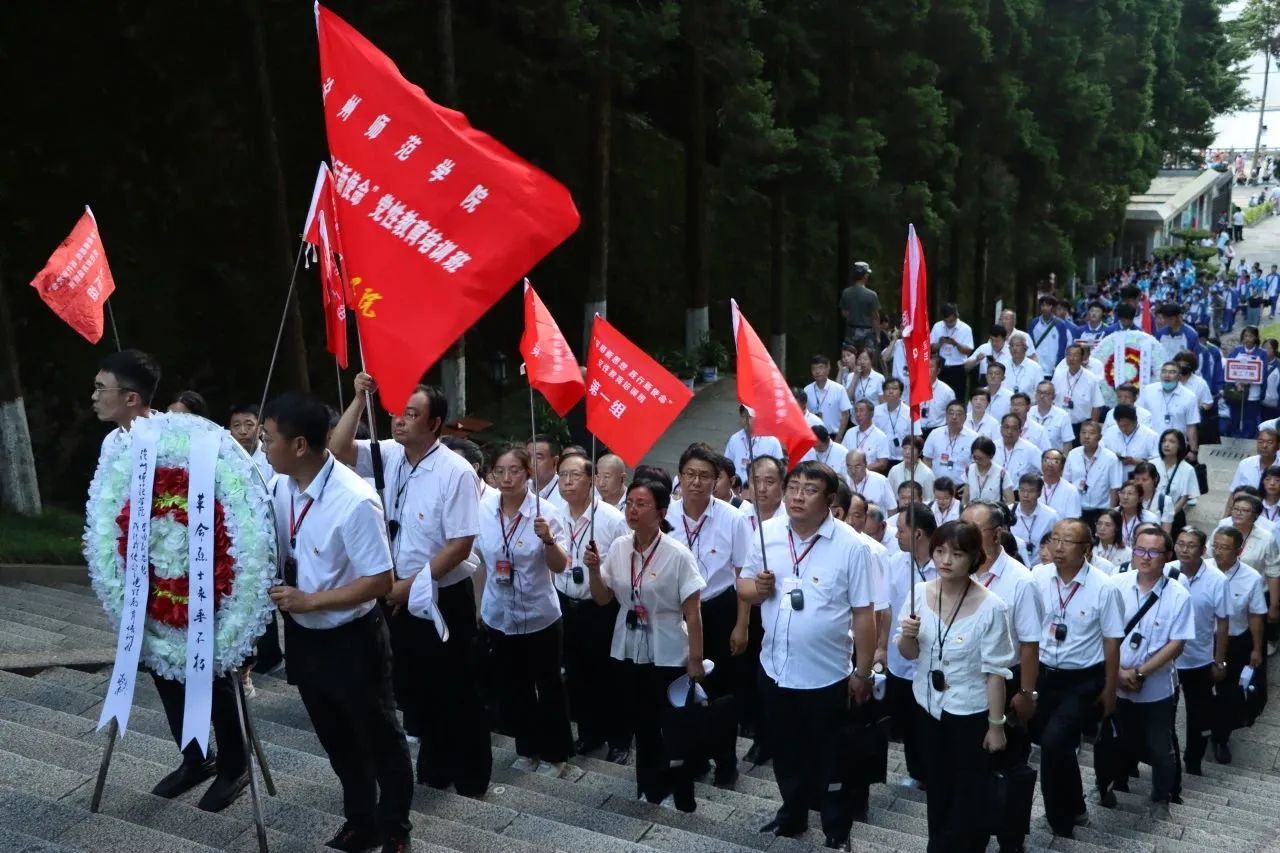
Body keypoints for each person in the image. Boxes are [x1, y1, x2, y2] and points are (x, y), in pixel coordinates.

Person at [92, 350, 252, 813]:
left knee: (208, 670)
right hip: (147, 575)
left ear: (131, 397)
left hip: (194, 570)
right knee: (160, 666)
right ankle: (195, 756)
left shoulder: (180, 438)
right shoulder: (112, 444)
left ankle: (235, 764)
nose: (94, 397)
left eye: (101, 388)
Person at [262, 391, 413, 851]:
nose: (263, 447)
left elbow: (380, 580)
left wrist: (312, 601)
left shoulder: (354, 499)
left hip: (352, 639)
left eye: (268, 439)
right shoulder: (280, 485)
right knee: (336, 738)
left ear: (299, 445)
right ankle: (360, 820)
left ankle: (395, 827)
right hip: (305, 638)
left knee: (380, 735)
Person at [328, 373, 491, 796]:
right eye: (398, 412)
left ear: (434, 424)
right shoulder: (389, 454)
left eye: (412, 414)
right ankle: (435, 770)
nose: (400, 420)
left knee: (457, 687)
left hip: (441, 594)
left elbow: (460, 544)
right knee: (416, 687)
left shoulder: (455, 471)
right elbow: (338, 450)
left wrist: (411, 585)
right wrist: (359, 399)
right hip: (396, 591)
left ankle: (472, 778)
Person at [739, 460, 878, 848]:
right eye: (793, 487)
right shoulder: (767, 533)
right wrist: (756, 589)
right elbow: (743, 587)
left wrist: (863, 672)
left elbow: (864, 614)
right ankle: (792, 814)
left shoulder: (851, 546)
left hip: (826, 675)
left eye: (810, 489)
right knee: (786, 751)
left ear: (830, 500)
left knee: (831, 758)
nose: (798, 496)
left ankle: (836, 828)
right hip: (775, 667)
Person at [585, 477, 705, 810]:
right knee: (642, 721)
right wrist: (594, 570)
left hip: (668, 648)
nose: (632, 511)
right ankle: (648, 786)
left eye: (642, 504)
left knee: (669, 725)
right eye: (630, 504)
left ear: (661, 512)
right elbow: (602, 598)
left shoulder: (677, 554)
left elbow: (693, 612)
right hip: (629, 644)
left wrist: (695, 658)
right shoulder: (619, 547)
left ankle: (675, 789)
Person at [895, 521, 1016, 853]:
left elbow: (995, 673)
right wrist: (907, 635)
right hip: (927, 704)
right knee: (938, 785)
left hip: (970, 710)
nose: (946, 560)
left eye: (957, 554)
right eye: (939, 551)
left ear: (974, 558)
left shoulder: (992, 606)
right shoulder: (919, 593)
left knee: (968, 790)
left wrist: (996, 726)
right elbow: (909, 654)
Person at [475, 445, 575, 777]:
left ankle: (556, 754)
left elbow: (560, 566)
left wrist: (548, 540)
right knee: (513, 685)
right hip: (499, 613)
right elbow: (479, 560)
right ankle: (527, 747)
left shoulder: (545, 513)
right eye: (499, 471)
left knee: (548, 685)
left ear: (527, 473)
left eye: (514, 470)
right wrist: (479, 605)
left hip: (538, 614)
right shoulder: (483, 510)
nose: (507, 478)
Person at [1030, 519, 1124, 838]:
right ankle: (1077, 806)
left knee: (1053, 744)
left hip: (1083, 680)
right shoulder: (1038, 576)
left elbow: (1112, 641)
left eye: (1067, 541)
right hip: (1044, 675)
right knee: (1057, 746)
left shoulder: (1104, 586)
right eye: (1054, 539)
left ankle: (1060, 821)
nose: (1058, 547)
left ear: (1085, 549)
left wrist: (1110, 689)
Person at [666, 444, 753, 786]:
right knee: (681, 686)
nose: (696, 482)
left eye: (704, 476)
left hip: (718, 609)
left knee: (720, 692)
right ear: (680, 476)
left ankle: (726, 761)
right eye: (690, 474)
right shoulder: (666, 515)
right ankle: (694, 757)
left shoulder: (733, 518)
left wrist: (742, 624)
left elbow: (743, 572)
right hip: (676, 612)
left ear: (717, 480)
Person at [961, 501, 1044, 853]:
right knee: (971, 767)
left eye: (974, 530)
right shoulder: (959, 569)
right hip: (965, 681)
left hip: (1007, 682)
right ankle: (973, 835)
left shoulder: (1020, 580)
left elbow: (1029, 643)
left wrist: (1026, 693)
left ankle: (1011, 840)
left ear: (996, 534)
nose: (964, 536)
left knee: (1008, 766)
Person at [1095, 527, 1194, 820]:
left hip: (1156, 688)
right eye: (1140, 550)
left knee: (1160, 745)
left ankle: (1161, 798)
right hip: (1114, 682)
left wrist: (1139, 673)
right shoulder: (1115, 584)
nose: (1145, 557)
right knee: (1110, 740)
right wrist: (1118, 672)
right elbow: (1099, 632)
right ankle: (1105, 788)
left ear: (1167, 556)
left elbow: (1176, 643)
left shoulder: (1178, 594)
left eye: (1153, 552)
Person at [551, 451, 631, 763]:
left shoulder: (611, 520)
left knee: (608, 676)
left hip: (602, 606)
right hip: (564, 602)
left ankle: (619, 739)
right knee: (576, 673)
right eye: (563, 475)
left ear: (592, 480)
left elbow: (627, 565)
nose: (567, 482)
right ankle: (589, 733)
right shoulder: (553, 513)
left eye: (575, 475)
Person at [1167, 528, 1229, 784]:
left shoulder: (1217, 580)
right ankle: (1165, 760)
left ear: (1203, 550)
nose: (1184, 549)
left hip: (1199, 658)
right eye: (1180, 544)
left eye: (1191, 545)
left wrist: (1219, 660)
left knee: (1198, 715)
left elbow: (1223, 622)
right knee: (1165, 712)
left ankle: (1193, 761)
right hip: (1167, 658)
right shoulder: (1167, 571)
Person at [885, 503, 939, 789]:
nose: (896, 535)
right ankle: (916, 771)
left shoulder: (943, 566)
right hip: (899, 658)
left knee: (930, 721)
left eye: (901, 530)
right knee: (907, 719)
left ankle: (935, 772)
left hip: (932, 661)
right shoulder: (895, 562)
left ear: (918, 534)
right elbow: (884, 610)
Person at [1210, 527, 1267, 764]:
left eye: (1225, 548)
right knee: (1202, 691)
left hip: (1235, 642)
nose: (1218, 552)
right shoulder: (1202, 569)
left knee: (1229, 693)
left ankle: (1221, 737)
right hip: (1203, 641)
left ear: (1239, 550)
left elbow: (1255, 615)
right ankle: (1201, 731)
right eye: (1216, 546)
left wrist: (1257, 648)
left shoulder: (1251, 577)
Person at [1064, 421, 1122, 528]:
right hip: (1076, 509)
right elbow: (1067, 482)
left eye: (1091, 433)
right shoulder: (1073, 454)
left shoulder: (1111, 458)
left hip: (1101, 510)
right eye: (1083, 433)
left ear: (1100, 437)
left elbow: (1115, 488)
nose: (1087, 436)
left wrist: (1110, 513)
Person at [723, 406, 785, 485]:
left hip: (760, 488)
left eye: (749, 417)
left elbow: (779, 470)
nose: (745, 420)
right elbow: (726, 465)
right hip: (737, 487)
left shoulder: (772, 442)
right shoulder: (734, 439)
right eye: (743, 416)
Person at [1225, 326, 1268, 437]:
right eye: (1245, 336)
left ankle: (1248, 442)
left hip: (1253, 394)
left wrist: (1248, 381)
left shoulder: (1262, 353)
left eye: (1251, 336)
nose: (1248, 339)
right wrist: (1237, 383)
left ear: (1256, 338)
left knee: (1250, 421)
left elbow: (1263, 373)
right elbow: (1229, 369)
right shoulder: (1236, 351)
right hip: (1237, 393)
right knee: (1235, 419)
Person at [1011, 474, 1061, 569]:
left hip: (1042, 567)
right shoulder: (1009, 512)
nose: (1025, 495)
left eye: (1031, 491)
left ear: (1039, 493)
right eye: (1022, 490)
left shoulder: (1051, 516)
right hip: (1014, 567)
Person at [1150, 428, 1200, 518]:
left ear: (1180, 445)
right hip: (1150, 514)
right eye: (1164, 441)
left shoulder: (1187, 469)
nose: (1166, 445)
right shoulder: (1152, 464)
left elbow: (1184, 498)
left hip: (1173, 515)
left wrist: (1168, 517)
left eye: (1172, 442)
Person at [922, 401, 979, 481]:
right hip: (936, 484)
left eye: (958, 414)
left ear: (965, 417)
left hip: (962, 486)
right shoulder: (935, 434)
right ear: (946, 416)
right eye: (951, 413)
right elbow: (927, 460)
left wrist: (968, 484)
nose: (954, 417)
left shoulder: (974, 438)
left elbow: (976, 464)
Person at [930, 302, 975, 398]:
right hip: (941, 367)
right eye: (946, 321)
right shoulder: (938, 326)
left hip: (958, 368)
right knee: (939, 396)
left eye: (951, 321)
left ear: (956, 316)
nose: (949, 324)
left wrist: (956, 344)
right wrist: (940, 343)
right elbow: (931, 348)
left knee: (957, 397)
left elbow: (968, 351)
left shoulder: (965, 328)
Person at [805, 355, 853, 439]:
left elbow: (845, 414)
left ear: (828, 368)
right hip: (812, 436)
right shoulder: (807, 390)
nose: (817, 371)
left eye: (820, 367)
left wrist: (839, 436)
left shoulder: (839, 389)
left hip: (833, 435)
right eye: (814, 368)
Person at [842, 399, 893, 473]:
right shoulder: (849, 432)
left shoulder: (880, 436)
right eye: (856, 411)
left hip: (870, 475)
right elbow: (842, 455)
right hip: (849, 475)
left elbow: (882, 464)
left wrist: (861, 469)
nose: (858, 414)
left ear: (871, 414)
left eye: (861, 411)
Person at [228, 402, 274, 483]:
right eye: (236, 425)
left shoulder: (272, 459)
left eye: (249, 425)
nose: (243, 431)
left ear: (260, 429)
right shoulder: (224, 457)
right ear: (230, 430)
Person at [996, 413, 1042, 493]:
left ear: (1020, 431)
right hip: (995, 494)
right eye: (1006, 427)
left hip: (1019, 495)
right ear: (1001, 429)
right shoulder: (993, 447)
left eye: (1014, 428)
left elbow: (1045, 470)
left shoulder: (1030, 449)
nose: (1009, 431)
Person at [1030, 295, 1075, 379]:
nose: (1045, 308)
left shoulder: (1060, 325)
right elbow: (1030, 345)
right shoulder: (1034, 323)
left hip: (1053, 369)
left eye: (1048, 305)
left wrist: (1058, 366)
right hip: (1037, 367)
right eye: (1043, 305)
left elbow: (1062, 348)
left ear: (1053, 308)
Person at [838, 261, 880, 348]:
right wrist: (877, 336)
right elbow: (875, 317)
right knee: (866, 355)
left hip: (851, 332)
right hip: (867, 333)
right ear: (865, 276)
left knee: (849, 354)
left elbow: (844, 313)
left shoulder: (846, 292)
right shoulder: (872, 295)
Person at [873, 378, 914, 460]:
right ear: (883, 393)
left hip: (903, 459)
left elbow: (914, 437)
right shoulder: (876, 411)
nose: (891, 391)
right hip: (881, 458)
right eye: (887, 389)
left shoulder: (910, 412)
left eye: (895, 388)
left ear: (901, 393)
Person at [1029, 382, 1074, 454]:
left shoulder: (1063, 415)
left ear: (1054, 397)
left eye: (1046, 393)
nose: (1042, 396)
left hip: (1053, 458)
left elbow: (1067, 444)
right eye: (1039, 392)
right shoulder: (1028, 412)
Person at [527, 434, 569, 512]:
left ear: (555, 461)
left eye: (538, 458)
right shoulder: (521, 487)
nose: (531, 463)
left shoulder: (567, 491)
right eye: (528, 457)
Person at [742, 456, 787, 527]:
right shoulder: (739, 517)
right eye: (756, 482)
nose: (761, 489)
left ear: (783, 486)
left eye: (769, 482)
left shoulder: (793, 520)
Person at [1039, 449, 1083, 520]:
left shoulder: (1071, 490)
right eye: (1046, 460)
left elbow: (1072, 520)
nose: (1050, 464)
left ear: (1062, 466)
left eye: (1055, 461)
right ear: (1041, 463)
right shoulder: (1033, 484)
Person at [919, 356, 957, 434]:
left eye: (930, 367)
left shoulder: (947, 391)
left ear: (938, 371)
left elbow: (953, 413)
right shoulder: (914, 388)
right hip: (917, 430)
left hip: (938, 430)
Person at [964, 436, 1004, 505]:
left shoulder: (1001, 473)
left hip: (992, 511)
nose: (976, 461)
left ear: (991, 456)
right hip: (973, 510)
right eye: (974, 457)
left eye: (980, 458)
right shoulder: (969, 469)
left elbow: (1010, 501)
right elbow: (965, 496)